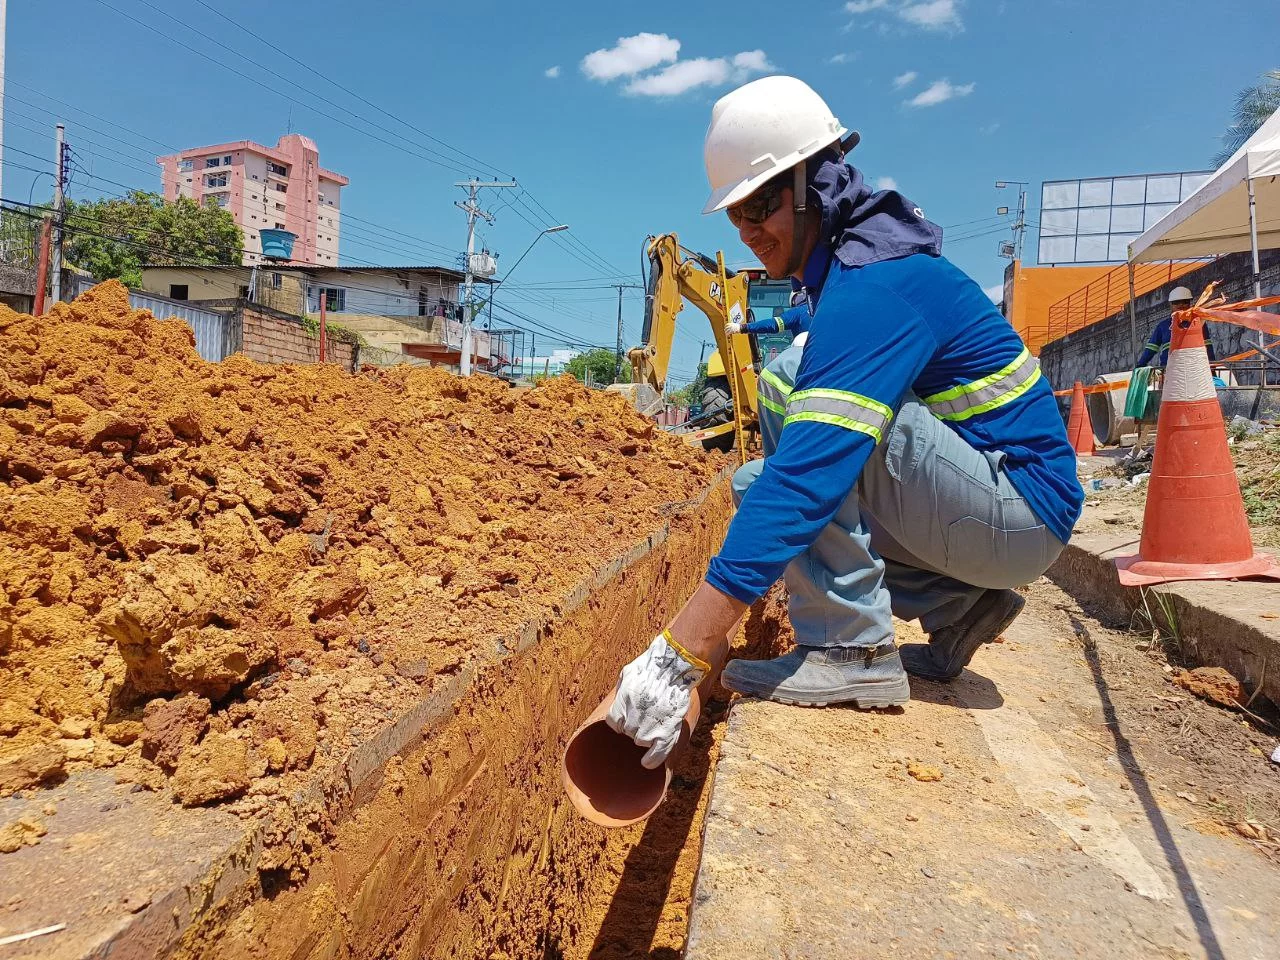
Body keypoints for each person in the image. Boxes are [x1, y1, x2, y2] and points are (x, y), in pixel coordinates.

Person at [605, 76, 1084, 770]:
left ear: (815, 184)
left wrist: (677, 654)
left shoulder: (878, 286)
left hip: (1019, 514)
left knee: (793, 420)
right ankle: (959, 610)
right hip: (999, 513)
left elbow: (806, 483)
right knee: (758, 472)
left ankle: (849, 648)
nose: (749, 232)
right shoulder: (852, 274)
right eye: (736, 216)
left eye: (762, 205)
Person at [1137, 287, 1216, 368]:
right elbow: (1151, 348)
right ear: (1170, 304)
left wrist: (1212, 368)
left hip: (1193, 370)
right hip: (1169, 370)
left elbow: (1207, 346)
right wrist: (1139, 366)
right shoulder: (1163, 326)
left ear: (1190, 303)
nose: (1181, 305)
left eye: (1185, 302)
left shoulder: (1198, 323)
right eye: (1176, 302)